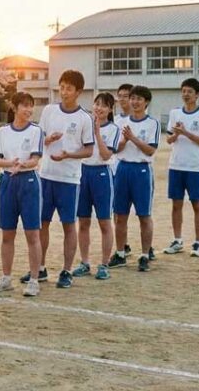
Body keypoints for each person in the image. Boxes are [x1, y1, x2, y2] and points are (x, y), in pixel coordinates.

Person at [23, 70, 94, 289]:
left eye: (69, 88)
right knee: (41, 224)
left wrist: (68, 155)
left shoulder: (85, 118)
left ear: (78, 92)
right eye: (62, 87)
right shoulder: (49, 111)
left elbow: (89, 150)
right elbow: (37, 140)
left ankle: (66, 270)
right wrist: (47, 139)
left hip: (70, 179)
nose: (64, 92)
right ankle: (40, 268)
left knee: (68, 225)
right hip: (46, 176)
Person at [0, 93, 44, 297]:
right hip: (7, 183)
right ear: (14, 107)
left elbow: (35, 160)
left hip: (29, 182)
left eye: (31, 106)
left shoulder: (36, 130)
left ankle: (34, 280)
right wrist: (12, 163)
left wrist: (22, 164)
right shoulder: (3, 132)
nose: (29, 110)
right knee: (7, 234)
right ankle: (6, 278)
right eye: (25, 106)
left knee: (32, 234)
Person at [109, 85, 160, 273]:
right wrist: (123, 140)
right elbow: (117, 149)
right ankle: (121, 253)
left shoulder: (152, 123)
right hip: (122, 169)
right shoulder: (121, 123)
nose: (135, 102)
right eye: (133, 98)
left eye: (139, 99)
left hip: (141, 171)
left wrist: (133, 138)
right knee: (120, 215)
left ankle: (145, 255)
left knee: (144, 216)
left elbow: (150, 150)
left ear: (146, 102)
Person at [72, 93, 120, 281]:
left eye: (104, 106)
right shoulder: (85, 124)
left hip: (101, 175)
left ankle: (104, 264)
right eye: (97, 104)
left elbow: (107, 155)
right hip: (82, 173)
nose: (99, 108)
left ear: (110, 109)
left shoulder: (114, 129)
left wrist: (98, 133)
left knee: (104, 222)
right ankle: (84, 262)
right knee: (83, 221)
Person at [162, 78, 199, 257]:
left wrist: (186, 133)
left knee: (197, 204)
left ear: (197, 95)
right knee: (176, 204)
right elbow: (168, 139)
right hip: (176, 165)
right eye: (183, 91)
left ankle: (198, 243)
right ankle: (177, 240)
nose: (186, 94)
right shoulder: (175, 113)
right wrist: (176, 134)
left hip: (195, 167)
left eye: (189, 91)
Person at [113, 83, 134, 255]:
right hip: (116, 168)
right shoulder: (116, 120)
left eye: (126, 95)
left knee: (142, 213)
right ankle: (123, 244)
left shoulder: (140, 119)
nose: (122, 99)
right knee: (118, 211)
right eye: (119, 96)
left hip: (136, 170)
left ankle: (146, 248)